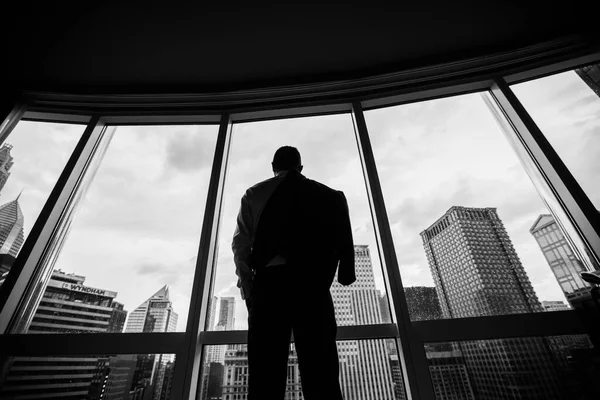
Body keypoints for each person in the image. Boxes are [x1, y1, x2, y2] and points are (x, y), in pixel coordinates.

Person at [232, 146, 355, 399]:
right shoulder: (331, 196)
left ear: (272, 167)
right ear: (301, 167)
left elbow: (241, 246)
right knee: (321, 371)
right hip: (313, 287)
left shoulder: (253, 194)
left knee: (265, 373)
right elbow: (342, 239)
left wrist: (249, 290)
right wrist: (344, 274)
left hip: (269, 287)